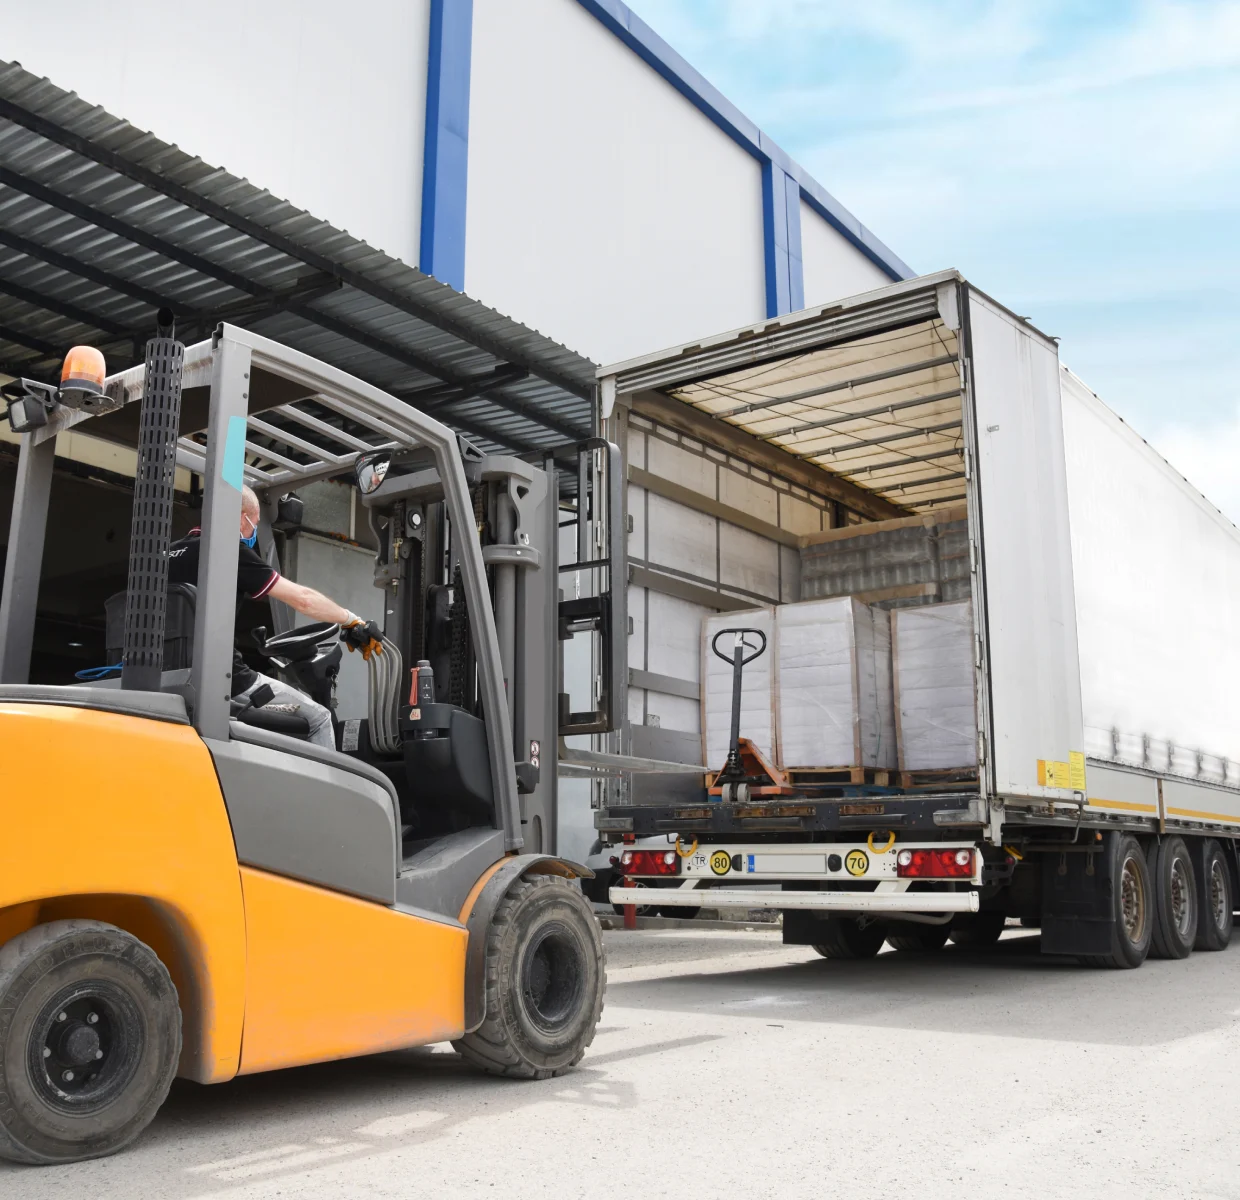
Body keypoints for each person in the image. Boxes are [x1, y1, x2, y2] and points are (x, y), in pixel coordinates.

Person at [168, 485, 382, 749]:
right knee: (319, 717)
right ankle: (317, 791)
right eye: (253, 524)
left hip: (167, 677)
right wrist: (350, 619)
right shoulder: (226, 550)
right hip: (226, 681)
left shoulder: (167, 554)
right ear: (239, 515)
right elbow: (303, 599)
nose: (252, 534)